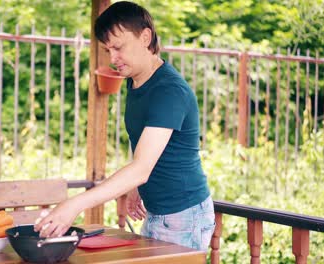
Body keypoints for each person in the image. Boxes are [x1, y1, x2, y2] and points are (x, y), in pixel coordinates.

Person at [34, 1, 215, 251]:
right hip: (158, 212)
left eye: (118, 47)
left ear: (145, 37)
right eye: (108, 50)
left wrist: (74, 204)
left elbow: (142, 167)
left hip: (183, 216)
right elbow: (144, 147)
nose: (113, 58)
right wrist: (137, 186)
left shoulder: (169, 91)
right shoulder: (136, 82)